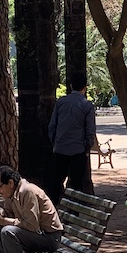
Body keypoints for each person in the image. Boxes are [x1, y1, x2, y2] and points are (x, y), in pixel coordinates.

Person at [48, 70, 96, 203]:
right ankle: (74, 212)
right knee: (76, 184)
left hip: (60, 148)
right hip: (78, 150)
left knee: (56, 181)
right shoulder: (87, 105)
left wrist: (55, 142)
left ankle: (53, 209)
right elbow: (90, 130)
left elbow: (52, 126)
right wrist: (87, 148)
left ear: (70, 86)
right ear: (85, 87)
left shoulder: (61, 102)